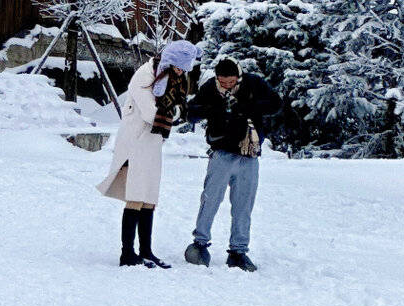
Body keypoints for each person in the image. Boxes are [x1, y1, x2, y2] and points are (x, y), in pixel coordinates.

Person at [97, 40, 198, 268]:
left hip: (153, 141)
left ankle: (146, 251)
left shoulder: (174, 77)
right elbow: (150, 113)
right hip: (136, 141)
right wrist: (173, 114)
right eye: (180, 66)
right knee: (136, 195)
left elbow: (178, 107)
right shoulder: (145, 75)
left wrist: (174, 112)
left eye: (185, 67)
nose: (182, 71)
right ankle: (127, 253)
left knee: (150, 197)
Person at [184, 56, 281, 271]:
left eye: (230, 82)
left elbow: (276, 104)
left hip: (249, 154)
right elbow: (191, 112)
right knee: (210, 199)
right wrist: (211, 108)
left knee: (244, 204)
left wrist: (249, 107)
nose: (226, 85)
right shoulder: (210, 88)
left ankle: (238, 251)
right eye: (222, 82)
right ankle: (200, 244)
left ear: (238, 76)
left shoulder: (254, 83)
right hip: (222, 153)